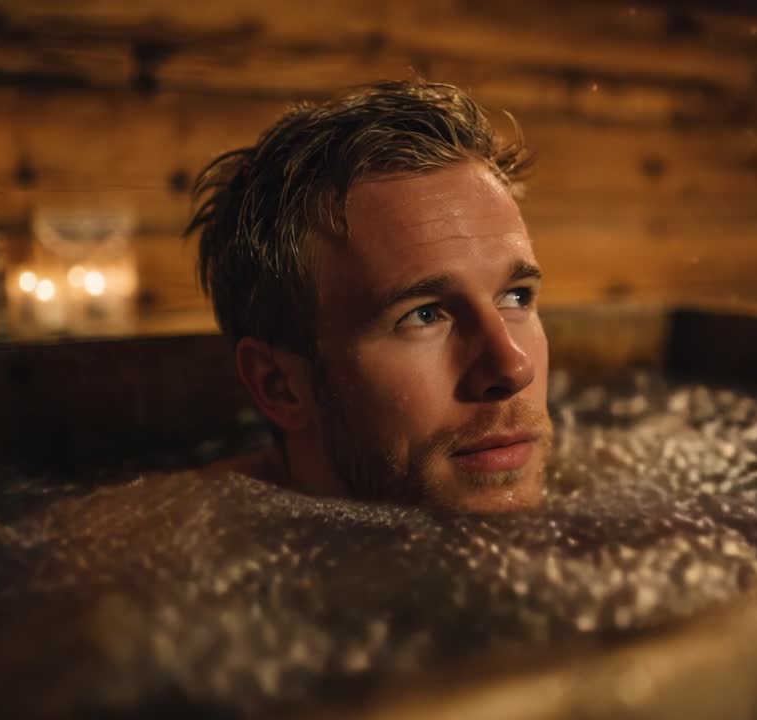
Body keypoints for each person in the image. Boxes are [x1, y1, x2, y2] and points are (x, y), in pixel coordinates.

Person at [188, 81, 552, 513]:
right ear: (280, 386)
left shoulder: (610, 493)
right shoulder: (145, 556)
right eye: (425, 314)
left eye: (515, 297)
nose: (513, 367)